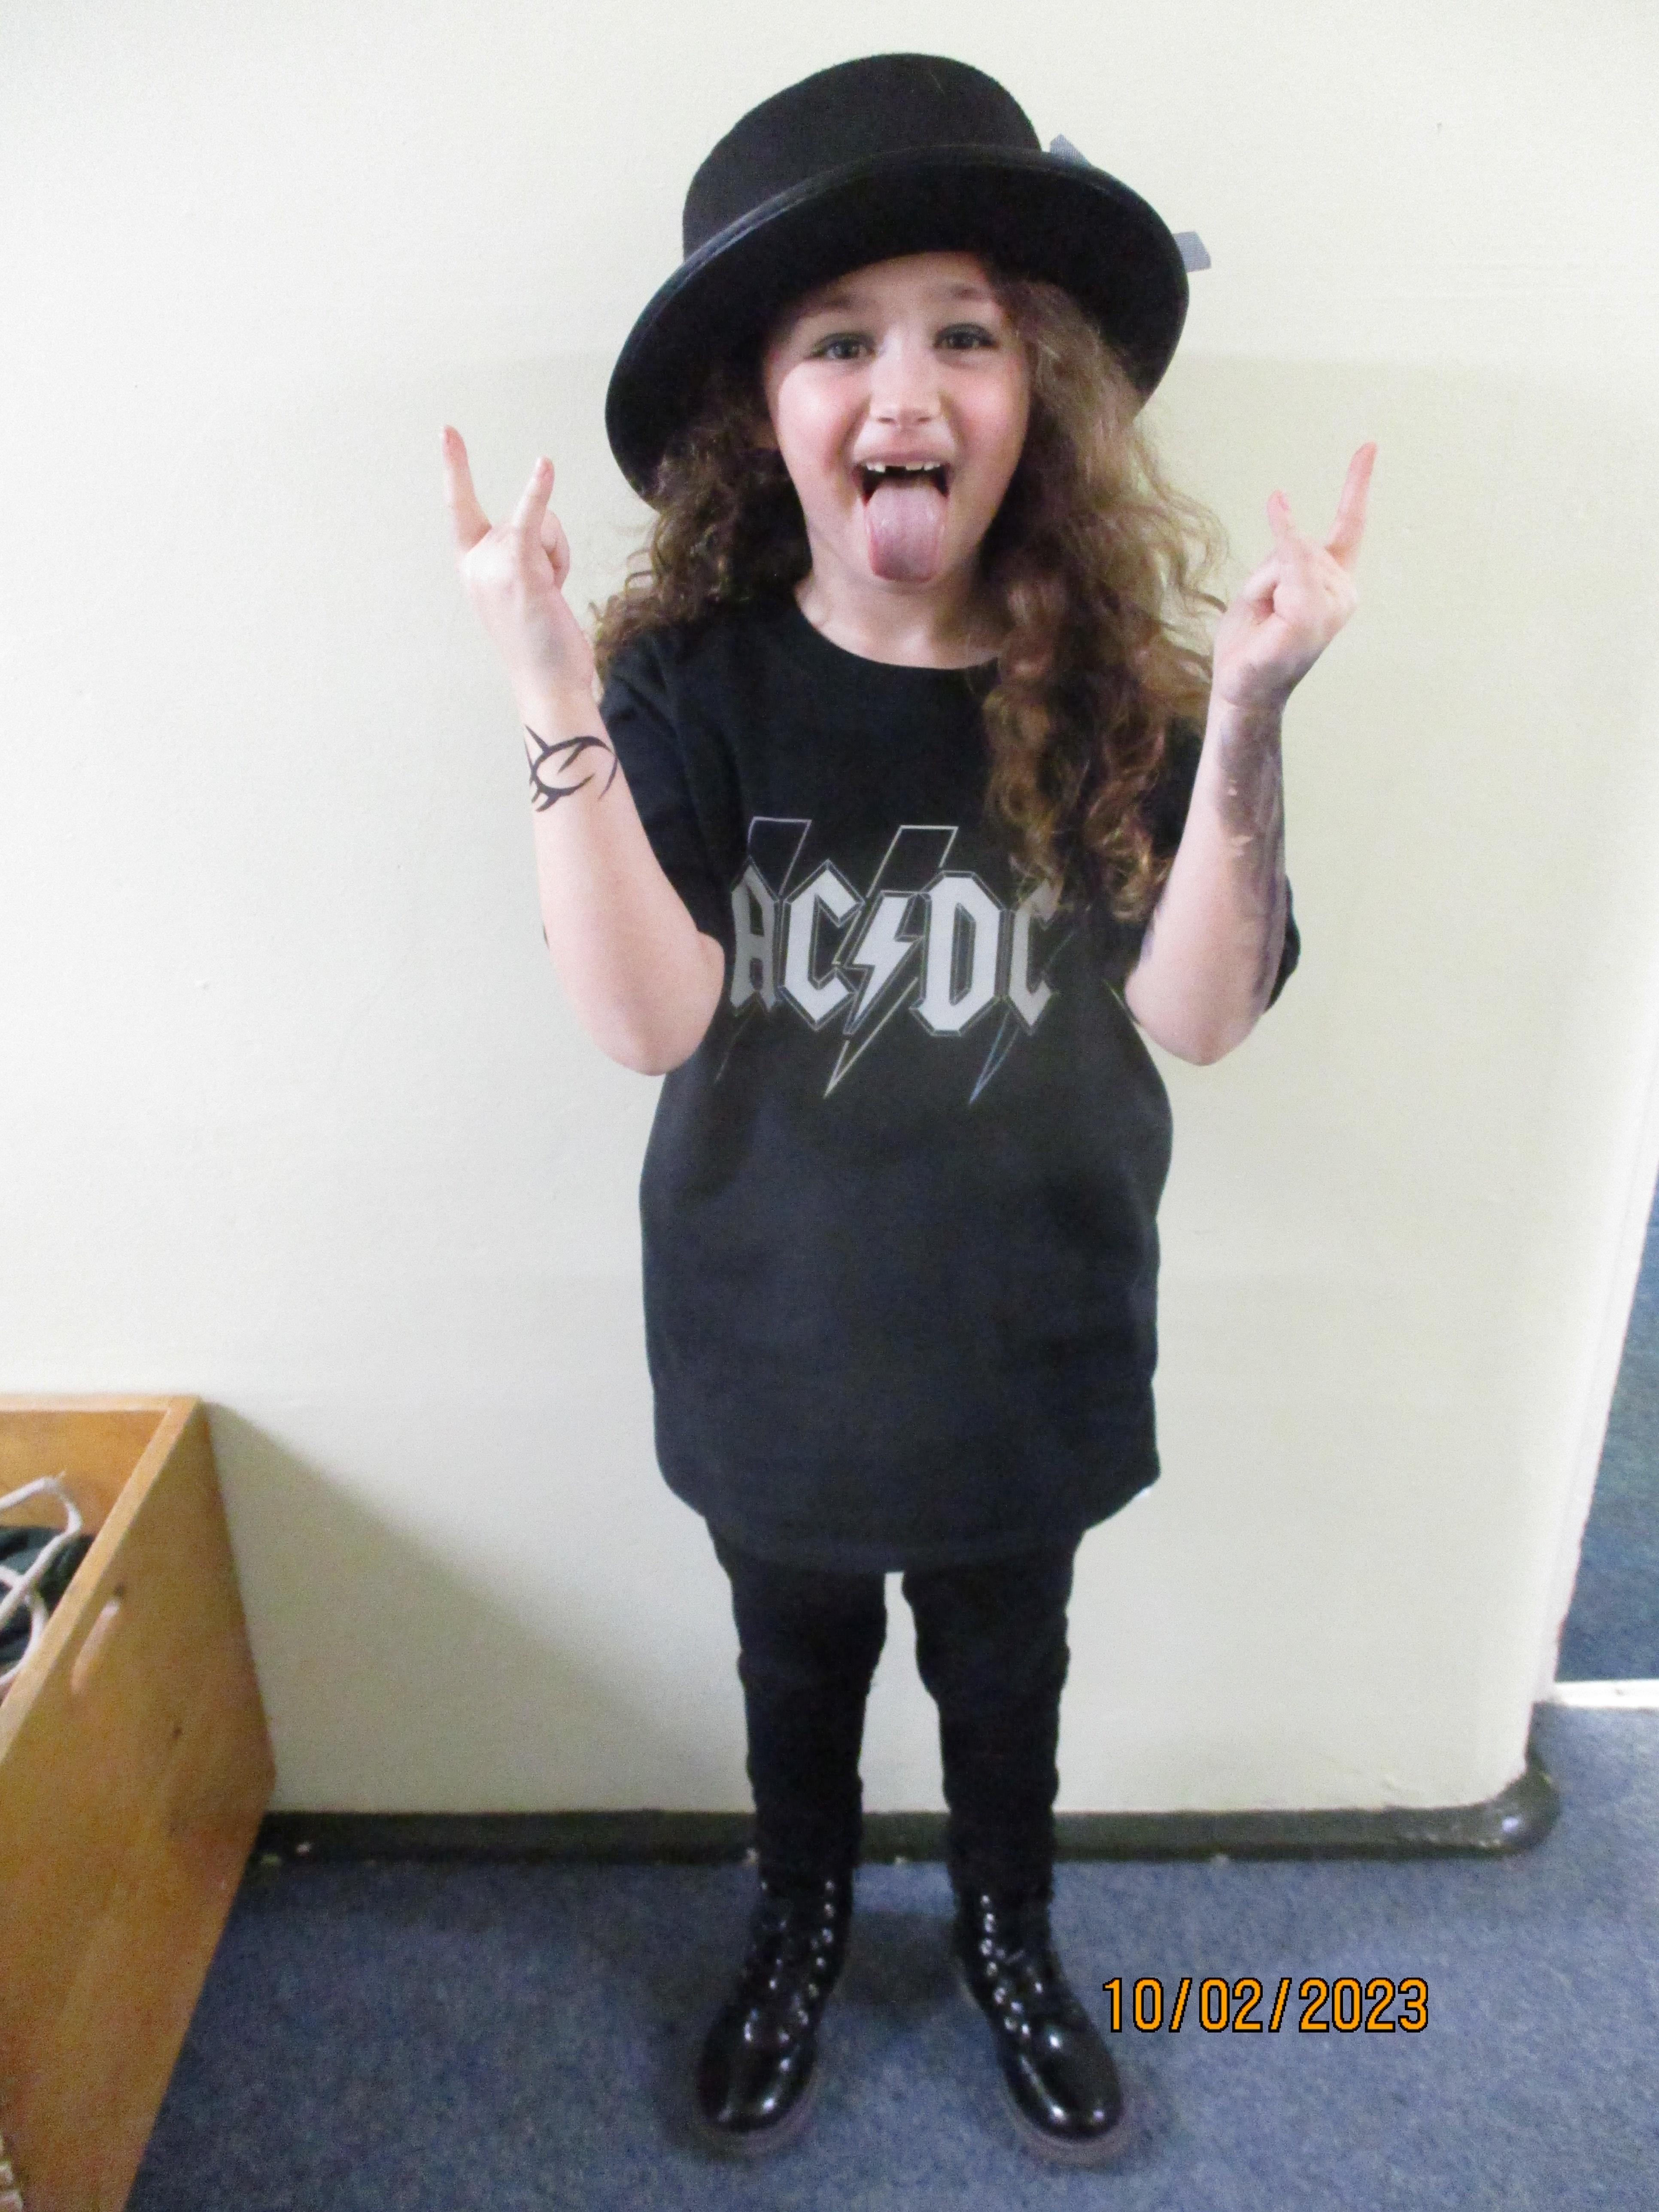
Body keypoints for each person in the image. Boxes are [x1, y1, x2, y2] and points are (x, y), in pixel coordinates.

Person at [442, 52, 1373, 2167]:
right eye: (839, 343)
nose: (906, 390)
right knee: (795, 1674)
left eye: (965, 334)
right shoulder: (689, 686)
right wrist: (551, 690)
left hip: (1029, 1333)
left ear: (1037, 388)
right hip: (769, 1336)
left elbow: (1205, 1016)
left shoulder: (1119, 685)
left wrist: (1246, 717)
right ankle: (793, 1925)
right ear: (761, 413)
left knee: (1006, 1671)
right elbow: (648, 1024)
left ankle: (1010, 1936)